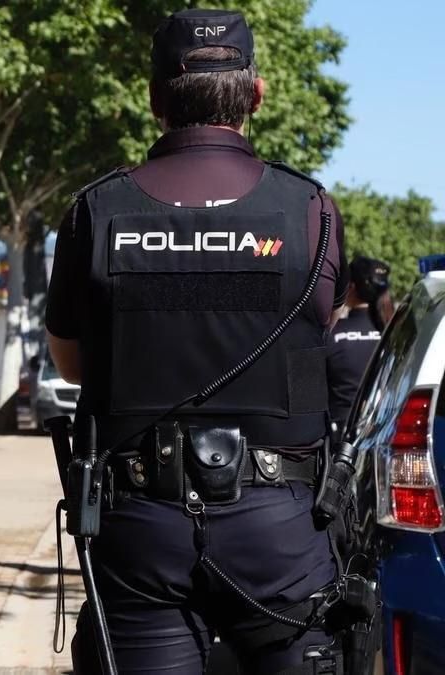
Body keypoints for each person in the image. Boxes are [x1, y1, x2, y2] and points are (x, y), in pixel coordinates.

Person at [45, 9, 349, 673]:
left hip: (139, 528)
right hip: (282, 532)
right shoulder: (309, 208)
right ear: (257, 95)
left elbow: (70, 362)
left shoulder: (97, 210)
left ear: (155, 98)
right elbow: (320, 334)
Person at [327, 256, 391, 429]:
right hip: (385, 428)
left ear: (351, 287)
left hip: (340, 435)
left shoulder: (332, 334)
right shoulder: (394, 334)